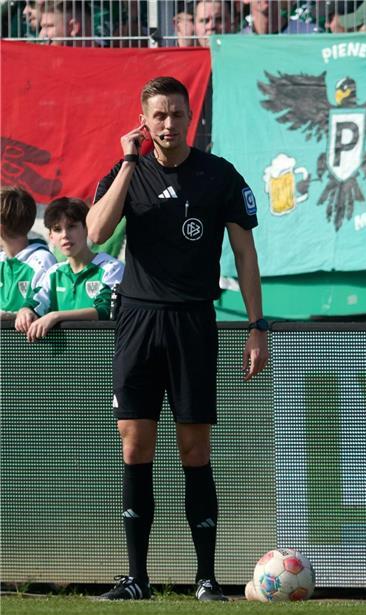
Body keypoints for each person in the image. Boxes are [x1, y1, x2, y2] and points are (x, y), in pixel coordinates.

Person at [88, 76, 269, 601]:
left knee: (194, 448)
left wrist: (257, 327)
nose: (168, 124)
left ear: (191, 118)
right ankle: (137, 578)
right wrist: (126, 161)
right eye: (158, 116)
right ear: (144, 121)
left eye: (177, 114)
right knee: (134, 443)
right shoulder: (129, 173)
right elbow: (97, 232)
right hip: (138, 322)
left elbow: (245, 255)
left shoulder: (219, 177)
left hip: (192, 321)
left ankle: (207, 578)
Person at [14, 197, 124, 341]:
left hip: (103, 356)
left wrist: (56, 316)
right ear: (51, 237)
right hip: (61, 360)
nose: (65, 235)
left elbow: (105, 310)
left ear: (86, 228)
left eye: (71, 226)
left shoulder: (112, 268)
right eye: (57, 229)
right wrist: (25, 310)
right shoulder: (53, 273)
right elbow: (34, 302)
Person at [0, 186, 57, 319]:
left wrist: (7, 317)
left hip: (31, 340)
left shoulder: (42, 260)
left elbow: (41, 309)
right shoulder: (2, 260)